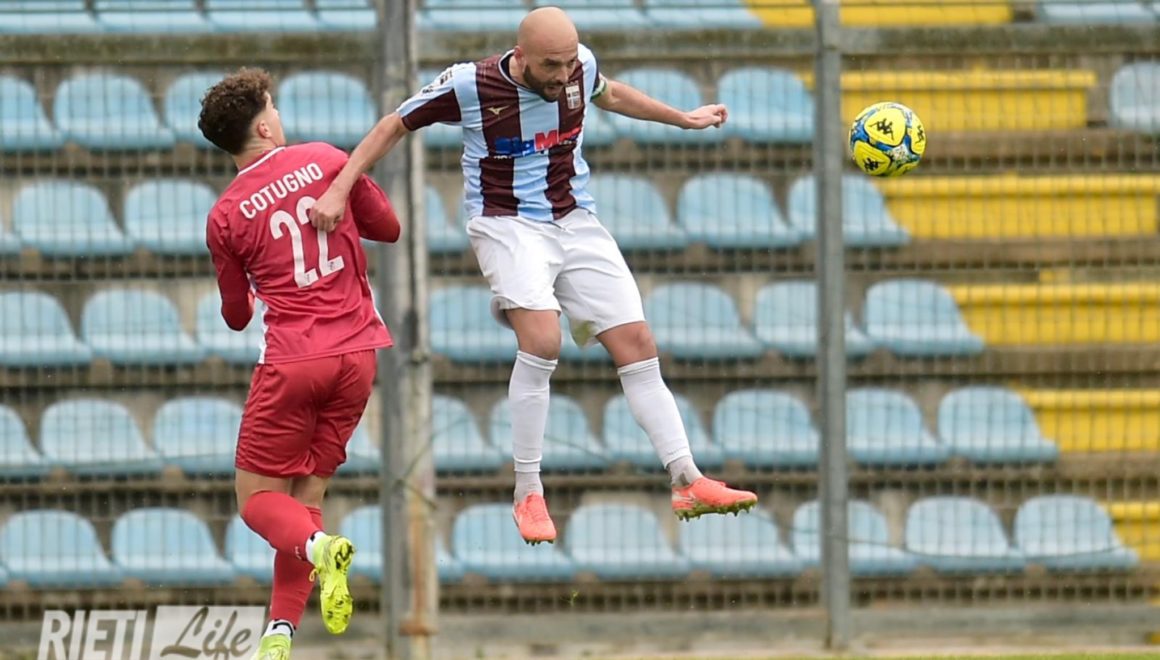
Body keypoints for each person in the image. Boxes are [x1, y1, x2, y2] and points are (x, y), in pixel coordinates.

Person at [308, 7, 757, 546]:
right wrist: (339, 189)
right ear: (520, 56)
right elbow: (393, 125)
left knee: (637, 342)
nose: (564, 75)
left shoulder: (580, 67)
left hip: (574, 218)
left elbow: (609, 93)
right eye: (551, 65)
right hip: (506, 224)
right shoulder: (470, 85)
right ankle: (527, 491)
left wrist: (683, 118)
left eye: (569, 63)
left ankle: (686, 479)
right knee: (543, 340)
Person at [199, 67, 401, 660]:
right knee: (305, 499)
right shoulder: (326, 159)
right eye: (274, 107)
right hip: (358, 355)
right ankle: (280, 631)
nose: (279, 116)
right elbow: (388, 229)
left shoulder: (225, 215)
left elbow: (236, 315)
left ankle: (319, 550)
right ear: (264, 126)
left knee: (256, 501)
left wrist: (255, 278)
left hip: (293, 362)